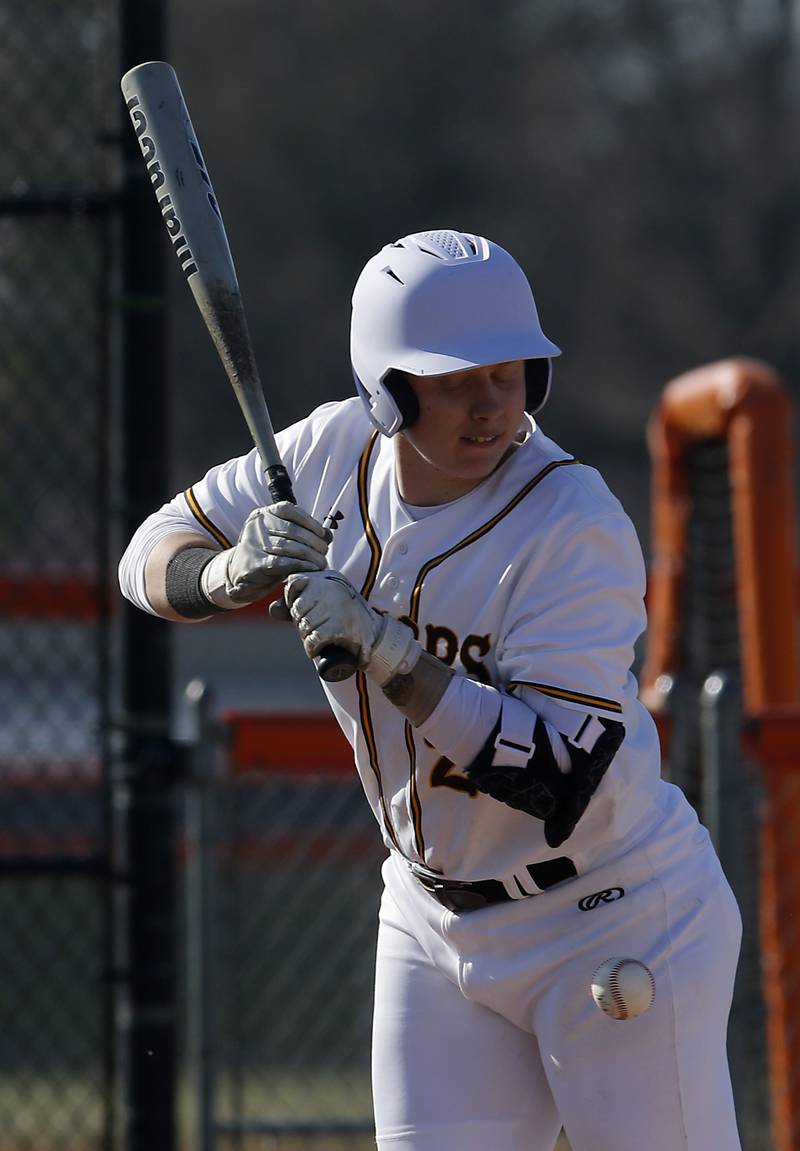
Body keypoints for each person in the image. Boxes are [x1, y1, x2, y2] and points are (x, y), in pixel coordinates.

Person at [119, 229, 742, 1151]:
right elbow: (145, 556)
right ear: (387, 391)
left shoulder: (571, 522)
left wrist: (386, 651)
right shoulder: (328, 450)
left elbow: (559, 778)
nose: (492, 406)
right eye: (454, 380)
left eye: (510, 373)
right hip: (431, 913)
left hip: (611, 911)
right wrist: (228, 575)